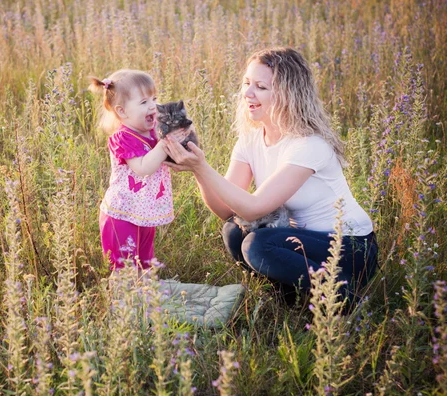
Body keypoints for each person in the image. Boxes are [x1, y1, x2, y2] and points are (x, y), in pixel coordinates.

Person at [162, 47, 378, 303]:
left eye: (260, 87)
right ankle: (292, 297)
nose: (248, 93)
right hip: (304, 244)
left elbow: (253, 209)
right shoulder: (251, 139)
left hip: (350, 249)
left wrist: (202, 167)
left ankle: (343, 297)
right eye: (246, 83)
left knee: (258, 245)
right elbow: (226, 209)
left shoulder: (309, 145)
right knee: (234, 231)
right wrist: (198, 171)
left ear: (288, 94)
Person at [90, 69, 184, 271]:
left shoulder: (153, 132)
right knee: (125, 268)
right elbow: (143, 168)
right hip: (122, 214)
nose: (153, 106)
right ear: (122, 111)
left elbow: (169, 160)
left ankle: (145, 299)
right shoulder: (123, 137)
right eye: (144, 102)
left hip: (143, 211)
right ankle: (121, 301)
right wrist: (163, 145)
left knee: (145, 262)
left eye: (154, 99)